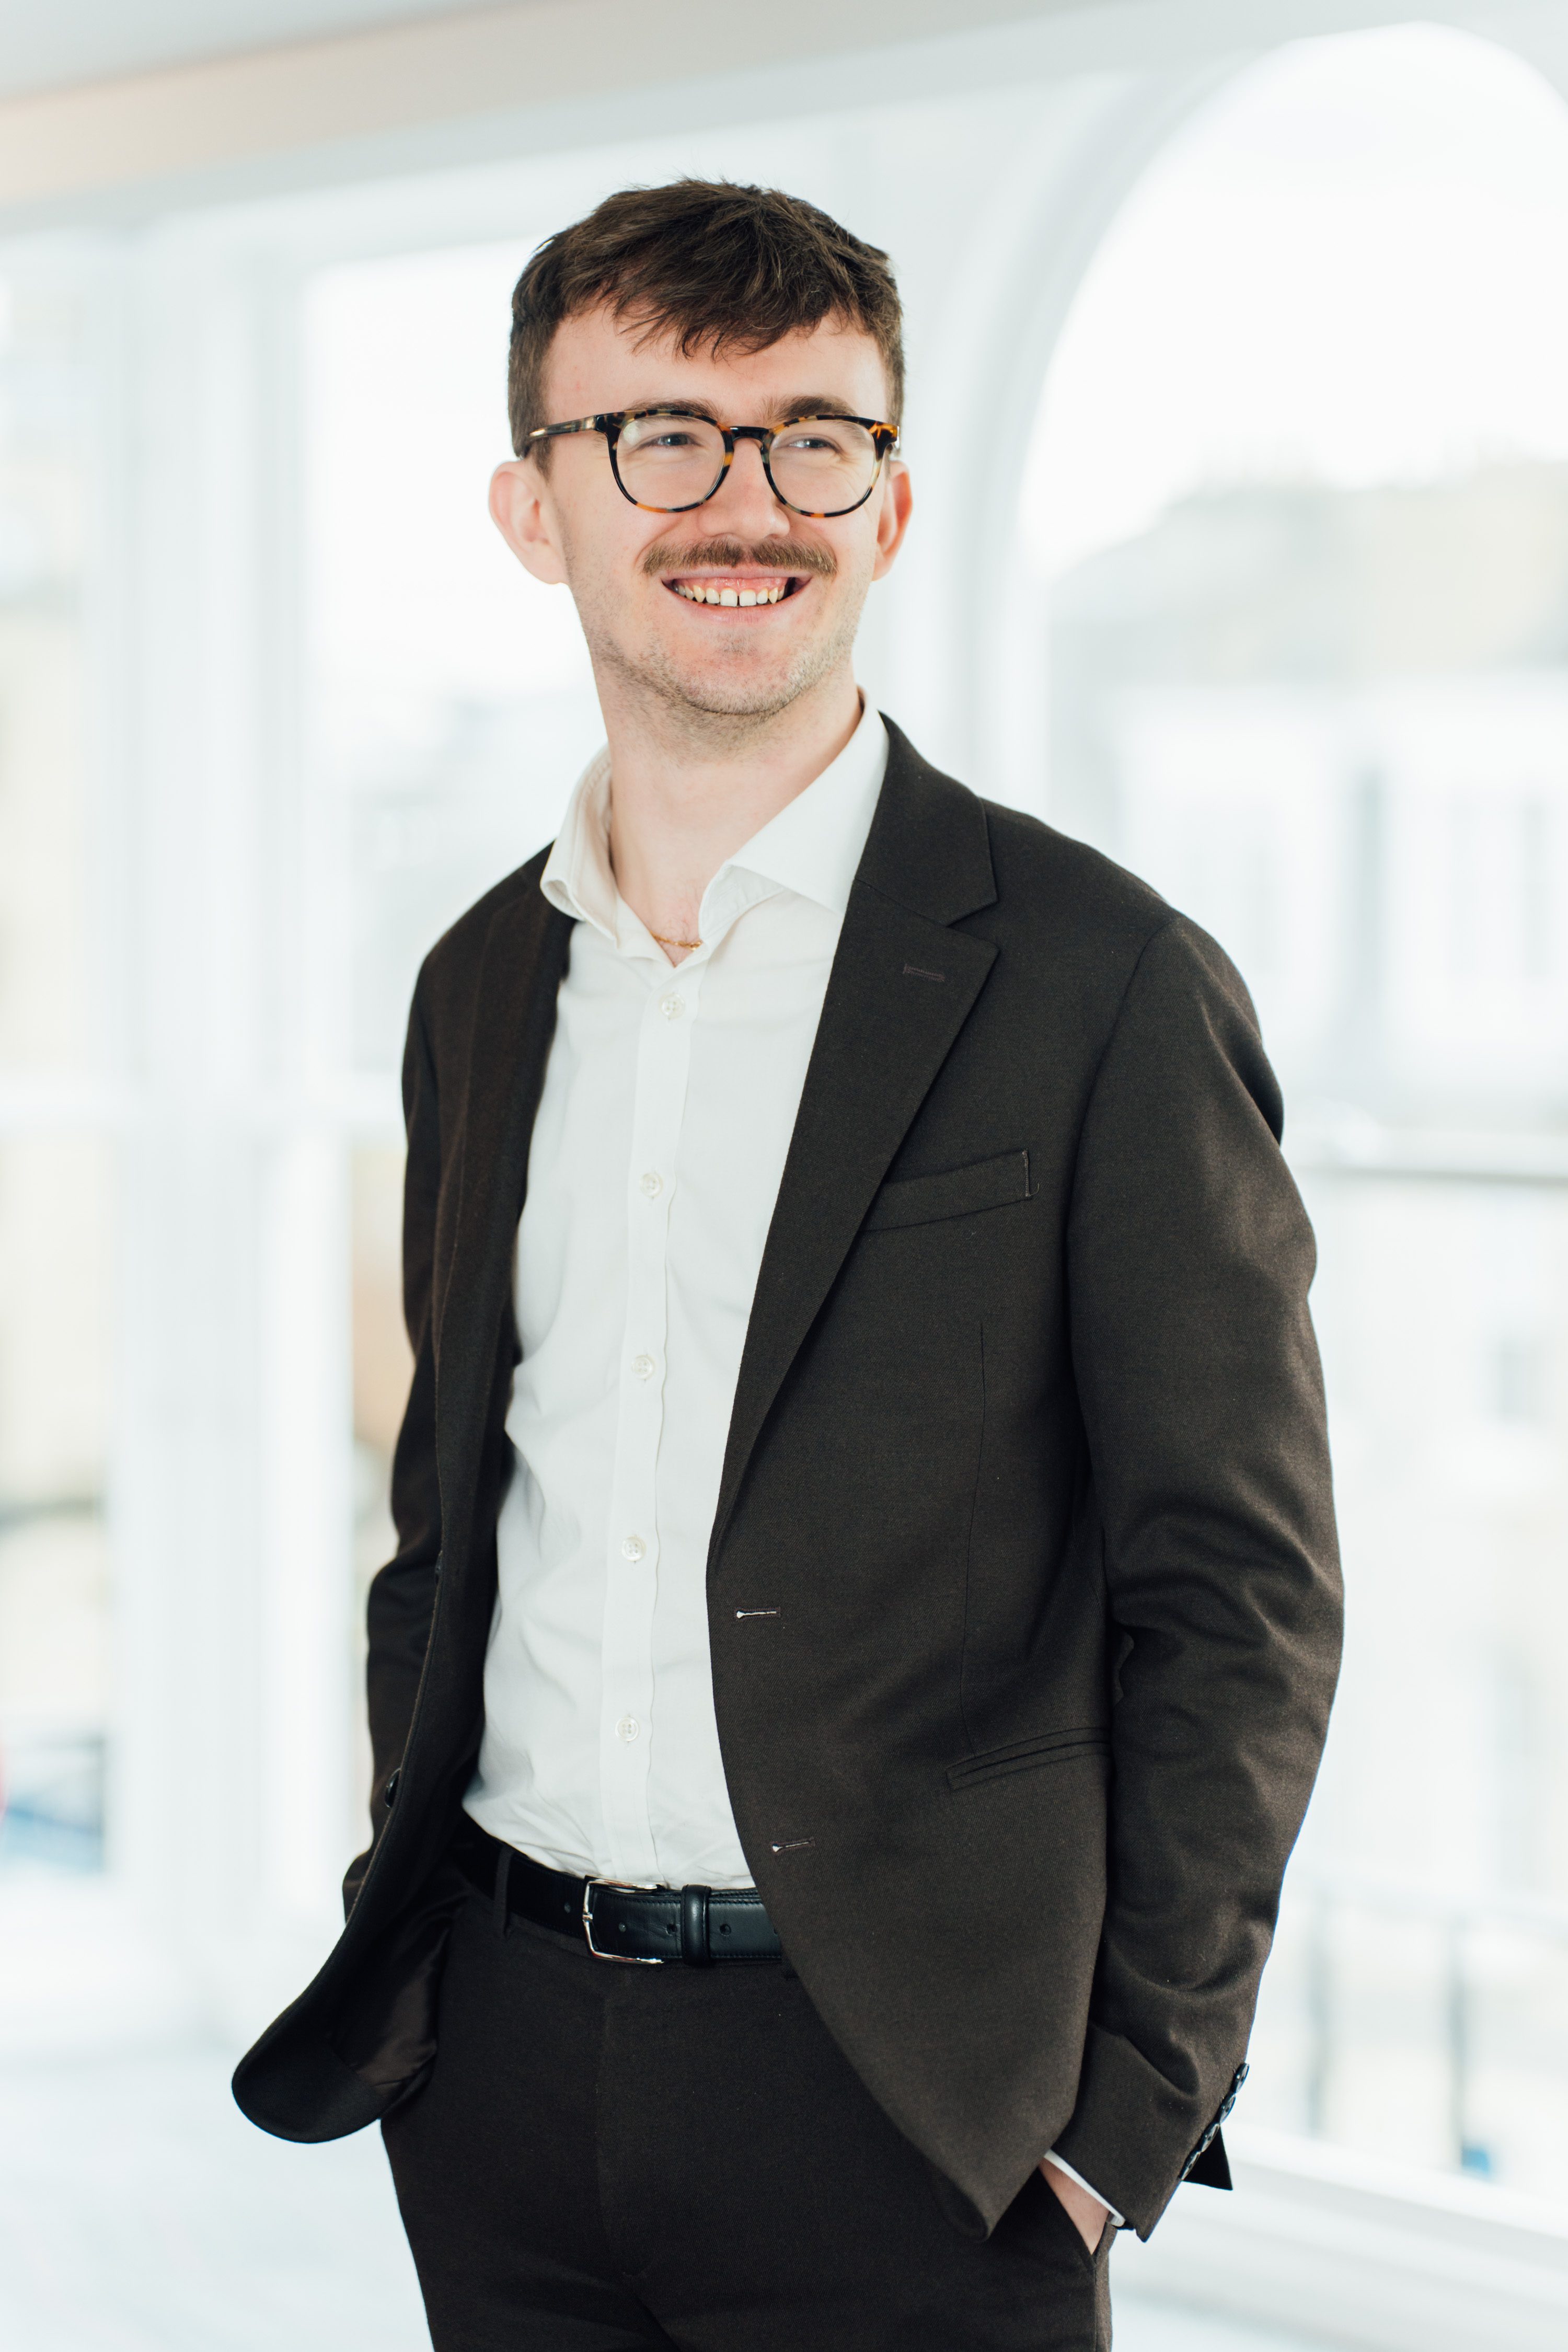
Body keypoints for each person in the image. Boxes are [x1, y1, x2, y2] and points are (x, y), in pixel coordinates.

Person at [234, 179, 1342, 2351]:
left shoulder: (1101, 982)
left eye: (813, 439)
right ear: (534, 508)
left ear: (891, 505)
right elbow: (451, 1524)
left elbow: (1241, 1592)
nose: (744, 504)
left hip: (916, 2110)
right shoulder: (479, 982)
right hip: (503, 2067)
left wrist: (1125, 2109)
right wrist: (413, 1919)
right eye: (662, 436)